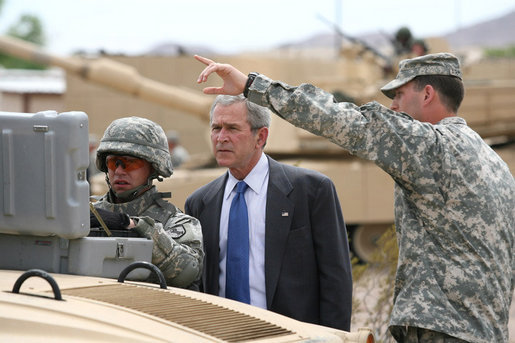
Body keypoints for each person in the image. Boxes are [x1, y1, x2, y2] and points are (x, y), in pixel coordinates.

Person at [193, 53, 515, 342]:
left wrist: (253, 85)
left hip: (443, 332)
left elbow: (343, 121)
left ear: (427, 94)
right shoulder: (494, 164)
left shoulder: (430, 147)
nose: (394, 107)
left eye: (400, 95)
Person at [184, 94, 352, 331]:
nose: (221, 138)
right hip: (221, 334)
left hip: (291, 335)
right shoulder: (200, 203)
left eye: (232, 128)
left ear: (260, 136)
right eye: (216, 128)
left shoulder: (311, 191)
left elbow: (336, 280)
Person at [91, 116, 204, 289]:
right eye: (113, 163)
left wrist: (133, 225)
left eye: (130, 163)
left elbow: (187, 271)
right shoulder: (88, 215)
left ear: (153, 167)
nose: (119, 171)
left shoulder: (175, 221)